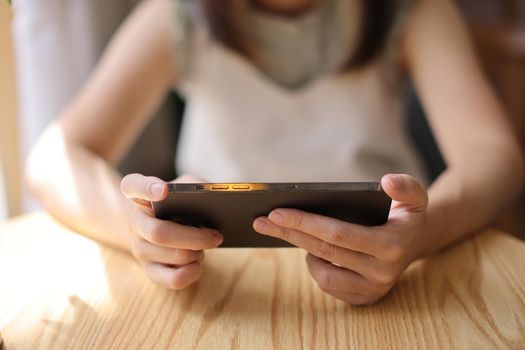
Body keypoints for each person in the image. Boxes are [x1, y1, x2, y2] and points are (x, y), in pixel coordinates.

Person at [26, 0, 523, 305]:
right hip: (218, 285)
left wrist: (421, 235)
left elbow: (494, 155)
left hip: (391, 272)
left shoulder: (411, 10)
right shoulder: (180, 15)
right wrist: (135, 229)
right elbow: (54, 158)